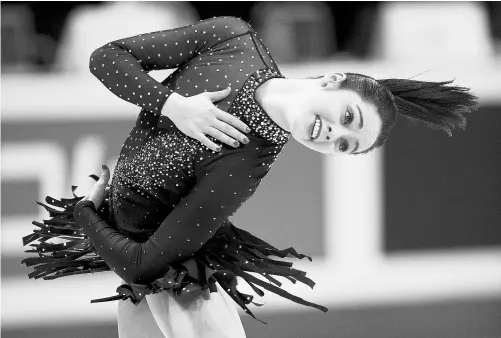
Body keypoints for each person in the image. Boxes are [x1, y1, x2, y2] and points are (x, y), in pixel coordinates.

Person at [22, 16, 478, 338]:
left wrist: (85, 213)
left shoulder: (248, 159)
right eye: (346, 117)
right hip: (150, 271)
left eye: (345, 144)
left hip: (169, 276)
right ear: (332, 80)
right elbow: (107, 56)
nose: (332, 134)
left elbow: (145, 265)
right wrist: (174, 105)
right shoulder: (232, 39)